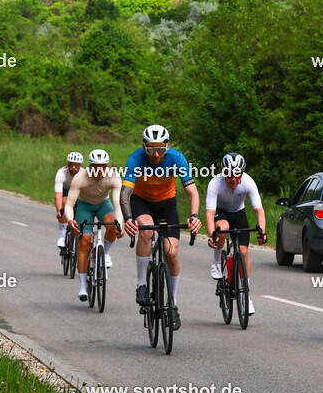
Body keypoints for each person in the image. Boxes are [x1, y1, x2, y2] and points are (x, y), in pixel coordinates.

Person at [121, 124, 202, 330]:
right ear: (144, 146)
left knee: (172, 254)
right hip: (142, 201)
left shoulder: (177, 158)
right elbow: (125, 194)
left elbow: (192, 192)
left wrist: (194, 216)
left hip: (167, 204)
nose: (155, 154)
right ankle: (141, 284)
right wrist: (128, 218)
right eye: (151, 149)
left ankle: (173, 304)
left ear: (167, 147)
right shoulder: (136, 159)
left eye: (160, 149)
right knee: (146, 230)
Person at [205, 153, 267, 315]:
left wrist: (262, 232)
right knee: (223, 228)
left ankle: (246, 296)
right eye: (229, 174)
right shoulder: (215, 183)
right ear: (223, 172)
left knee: (244, 251)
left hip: (239, 213)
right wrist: (212, 234)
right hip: (221, 212)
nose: (233, 178)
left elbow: (259, 210)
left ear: (242, 172)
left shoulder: (248, 182)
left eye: (237, 174)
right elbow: (210, 213)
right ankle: (217, 261)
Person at [64, 149, 124, 301]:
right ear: (89, 166)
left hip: (104, 204)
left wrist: (120, 225)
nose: (98, 170)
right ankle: (83, 286)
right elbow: (70, 204)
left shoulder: (114, 177)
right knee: (84, 242)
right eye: (95, 167)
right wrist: (71, 220)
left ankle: (106, 253)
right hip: (84, 206)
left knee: (112, 224)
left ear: (107, 166)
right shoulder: (80, 177)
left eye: (102, 167)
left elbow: (118, 205)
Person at [54, 152, 82, 251]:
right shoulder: (61, 173)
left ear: (81, 165)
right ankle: (62, 236)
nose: (73, 167)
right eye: (71, 164)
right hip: (66, 191)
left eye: (77, 165)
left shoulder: (84, 174)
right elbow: (58, 194)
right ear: (68, 164)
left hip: (79, 192)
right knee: (64, 204)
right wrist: (59, 210)